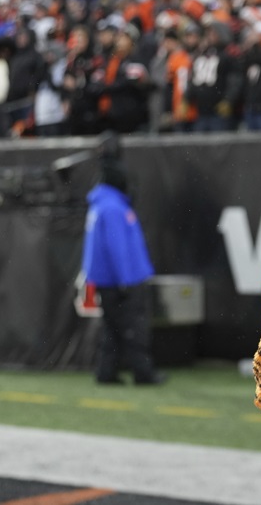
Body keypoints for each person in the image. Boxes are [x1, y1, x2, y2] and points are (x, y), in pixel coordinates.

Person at [81, 137, 164, 386]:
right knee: (134, 328)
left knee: (112, 328)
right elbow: (117, 248)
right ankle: (143, 373)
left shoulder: (101, 205)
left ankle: (106, 372)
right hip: (123, 280)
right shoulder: (114, 208)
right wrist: (126, 279)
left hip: (107, 280)